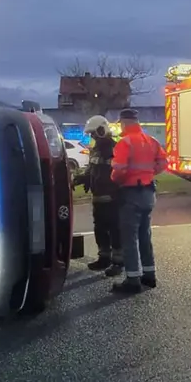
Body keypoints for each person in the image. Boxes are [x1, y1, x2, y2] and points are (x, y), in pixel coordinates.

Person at [110, 109, 167, 293]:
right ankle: (149, 275)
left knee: (129, 238)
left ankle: (133, 279)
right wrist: (149, 174)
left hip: (131, 193)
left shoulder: (124, 143)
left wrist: (116, 180)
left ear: (124, 123)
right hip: (148, 193)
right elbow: (163, 162)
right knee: (145, 236)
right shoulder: (151, 141)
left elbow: (118, 170)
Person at [73, 115, 123, 277]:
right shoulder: (96, 149)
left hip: (112, 198)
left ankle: (118, 262)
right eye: (91, 134)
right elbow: (92, 171)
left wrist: (115, 192)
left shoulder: (115, 150)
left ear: (102, 130)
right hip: (98, 197)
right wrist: (80, 179)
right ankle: (104, 258)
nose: (93, 137)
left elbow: (118, 173)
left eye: (94, 133)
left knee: (115, 231)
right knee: (100, 229)